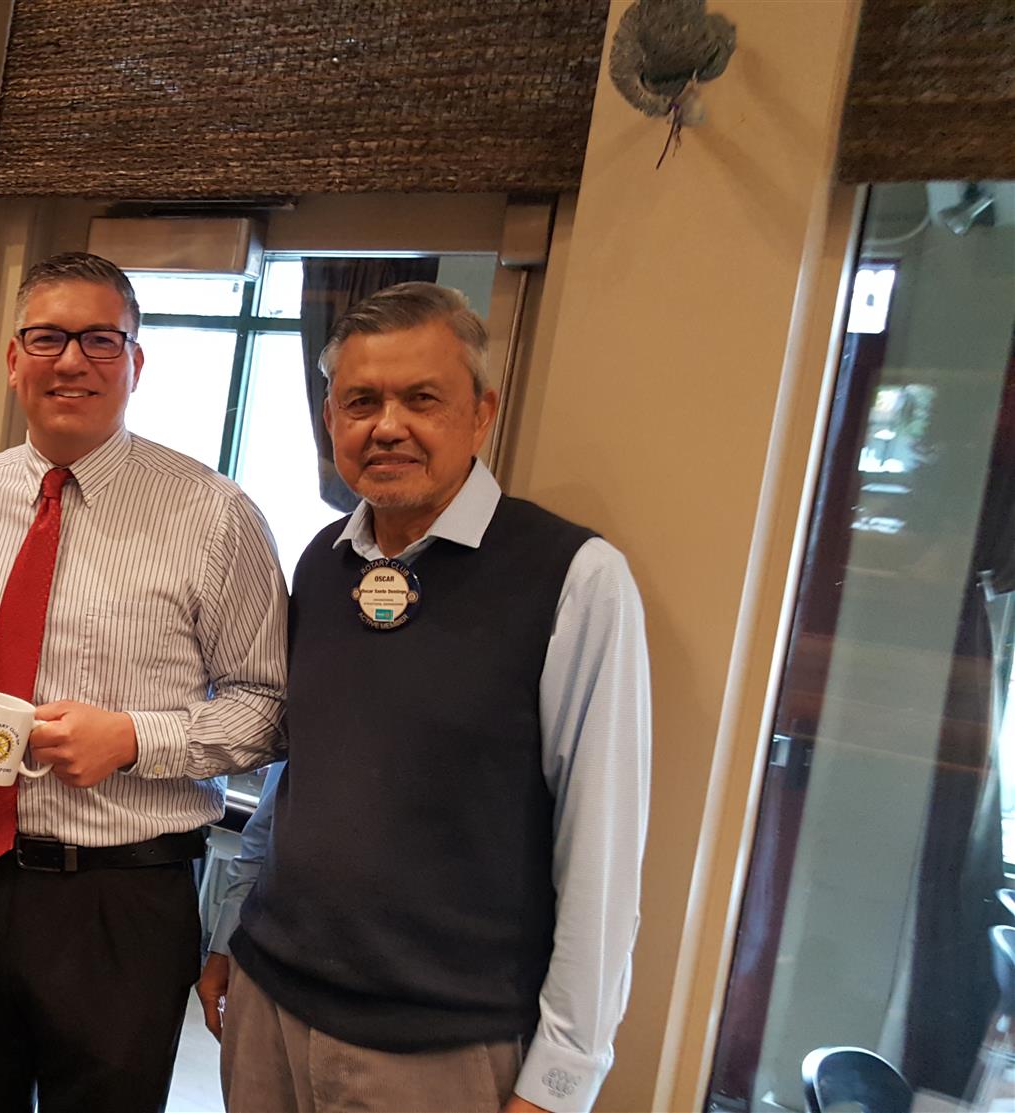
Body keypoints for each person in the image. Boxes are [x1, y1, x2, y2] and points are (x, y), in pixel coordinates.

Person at [202, 282, 650, 1113]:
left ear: (481, 414)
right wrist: (231, 930)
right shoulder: (321, 562)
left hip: (439, 1048)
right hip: (270, 1009)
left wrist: (561, 1079)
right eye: (361, 401)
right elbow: (299, 770)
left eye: (421, 398)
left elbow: (602, 850)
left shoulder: (574, 579)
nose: (387, 426)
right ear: (330, 419)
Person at [0, 252, 288, 1112]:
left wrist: (135, 739)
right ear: (14, 360)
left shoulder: (215, 517)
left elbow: (270, 710)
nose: (71, 360)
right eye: (47, 338)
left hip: (123, 902)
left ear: (135, 362)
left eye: (100, 340)